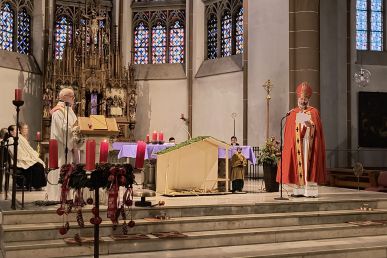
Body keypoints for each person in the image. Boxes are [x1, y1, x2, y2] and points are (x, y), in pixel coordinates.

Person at [277, 82, 326, 197]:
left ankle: (310, 192)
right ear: (298, 98)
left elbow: (316, 128)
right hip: (297, 145)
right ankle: (298, 191)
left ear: (308, 99)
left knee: (308, 166)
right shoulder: (293, 113)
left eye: (305, 99)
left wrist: (309, 124)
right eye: (301, 98)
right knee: (296, 166)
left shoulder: (314, 111)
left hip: (309, 144)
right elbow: (290, 132)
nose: (303, 101)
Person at [48, 87, 79, 201]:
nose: (74, 99)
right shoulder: (58, 111)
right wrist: (72, 142)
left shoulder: (68, 110)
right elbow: (62, 131)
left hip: (69, 145)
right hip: (62, 147)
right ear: (65, 97)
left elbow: (74, 126)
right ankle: (59, 196)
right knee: (62, 167)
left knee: (70, 168)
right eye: (72, 97)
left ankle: (68, 195)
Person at [7, 125, 47, 190]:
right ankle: (36, 185)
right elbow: (17, 153)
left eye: (18, 130)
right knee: (38, 166)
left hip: (25, 158)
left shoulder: (20, 138)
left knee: (39, 164)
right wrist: (27, 157)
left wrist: (32, 155)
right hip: (20, 160)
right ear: (11, 132)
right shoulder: (11, 140)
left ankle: (37, 185)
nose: (18, 131)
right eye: (16, 130)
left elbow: (28, 148)